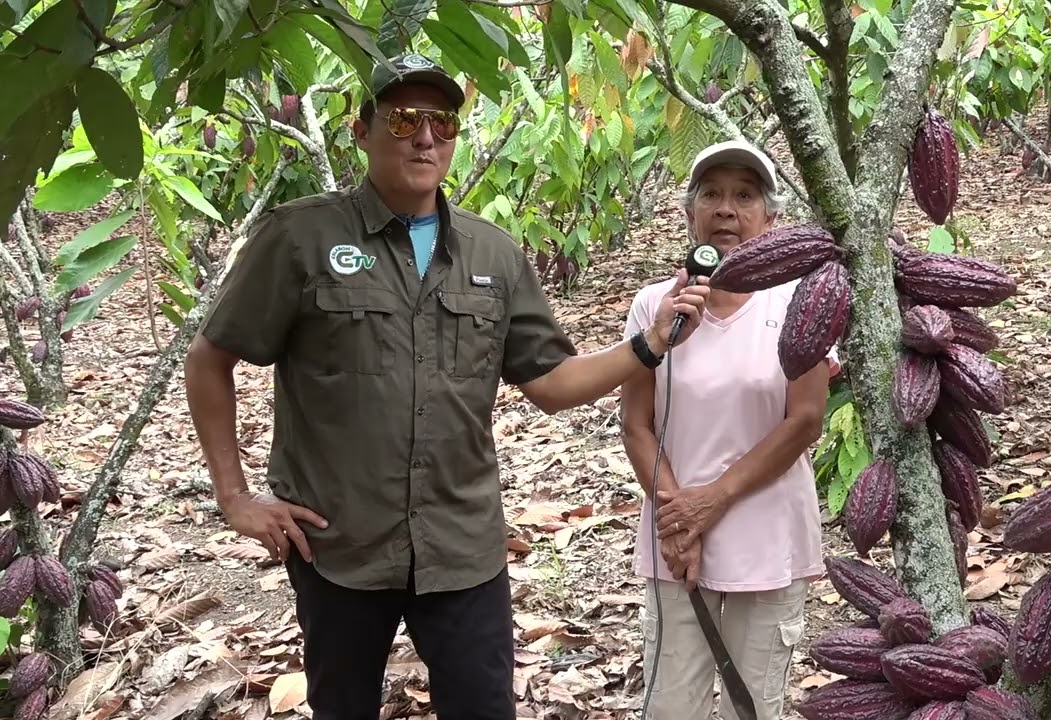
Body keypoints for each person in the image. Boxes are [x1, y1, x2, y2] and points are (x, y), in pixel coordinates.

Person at [182, 53, 711, 720]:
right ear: (361, 130)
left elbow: (548, 381)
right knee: (341, 708)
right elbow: (210, 358)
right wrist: (234, 498)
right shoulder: (302, 236)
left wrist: (647, 345)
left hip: (461, 547)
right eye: (404, 120)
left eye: (442, 122)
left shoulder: (491, 254)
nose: (426, 137)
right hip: (338, 545)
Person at [619, 139, 839, 720]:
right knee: (671, 706)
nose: (726, 209)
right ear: (689, 213)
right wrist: (676, 521)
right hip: (675, 537)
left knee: (755, 707)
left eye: (745, 196)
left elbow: (805, 421)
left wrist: (710, 503)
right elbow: (637, 423)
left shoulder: (799, 303)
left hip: (766, 539)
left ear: (771, 218)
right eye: (711, 195)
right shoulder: (654, 306)